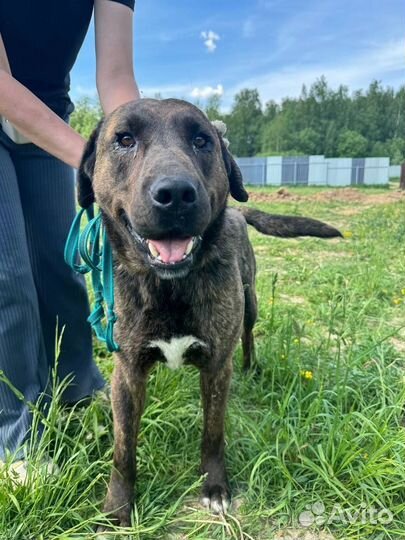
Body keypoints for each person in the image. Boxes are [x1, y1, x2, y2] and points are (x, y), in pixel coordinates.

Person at [0, 0, 140, 471]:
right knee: (8, 277)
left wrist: (138, 156)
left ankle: (78, 388)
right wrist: (96, 163)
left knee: (62, 264)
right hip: (6, 95)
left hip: (44, 111)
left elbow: (117, 78)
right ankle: (14, 435)